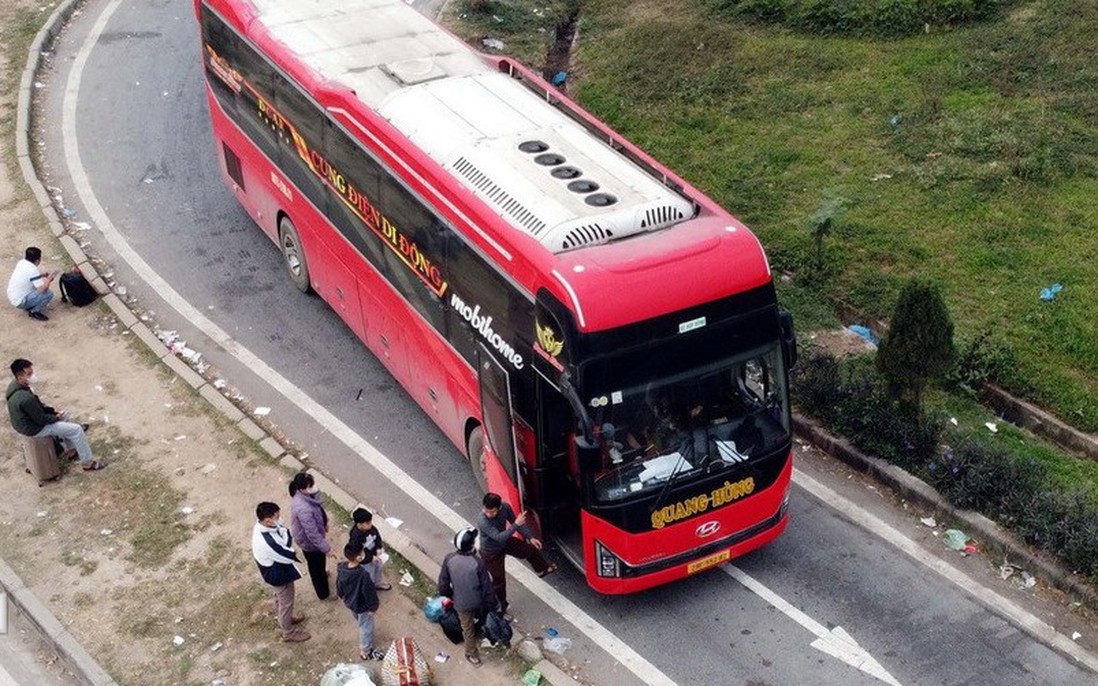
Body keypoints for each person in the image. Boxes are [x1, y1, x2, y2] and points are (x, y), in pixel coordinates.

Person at [6, 358, 104, 471]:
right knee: (77, 430)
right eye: (29, 374)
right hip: (34, 429)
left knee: (65, 416)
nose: (33, 375)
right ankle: (88, 463)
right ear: (20, 377)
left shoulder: (15, 386)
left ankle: (72, 450)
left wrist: (52, 411)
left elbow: (37, 407)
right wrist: (55, 417)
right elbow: (41, 419)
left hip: (26, 423)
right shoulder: (25, 398)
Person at [477, 492, 556, 618]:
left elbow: (518, 524)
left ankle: (542, 569)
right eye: (486, 511)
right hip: (491, 551)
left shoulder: (506, 508)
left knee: (529, 550)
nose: (488, 514)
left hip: (505, 541)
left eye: (492, 512)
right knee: (499, 581)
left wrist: (530, 537)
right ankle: (500, 607)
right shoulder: (483, 520)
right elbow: (499, 537)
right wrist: (516, 525)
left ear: (499, 508)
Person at [252, 501, 310, 642]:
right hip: (276, 572)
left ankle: (287, 618)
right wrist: (287, 535)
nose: (280, 519)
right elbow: (287, 551)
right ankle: (288, 632)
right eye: (277, 517)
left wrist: (285, 533)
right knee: (286, 601)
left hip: (272, 567)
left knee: (281, 597)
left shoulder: (262, 527)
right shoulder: (268, 542)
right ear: (267, 520)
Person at [438, 527, 496, 667]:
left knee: (467, 629)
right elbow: (487, 587)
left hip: (461, 603)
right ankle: (481, 631)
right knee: (478, 620)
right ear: (471, 545)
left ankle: (472, 655)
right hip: (479, 601)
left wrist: (448, 595)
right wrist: (491, 604)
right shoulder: (477, 562)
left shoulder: (449, 559)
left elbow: (443, 583)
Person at [336, 543, 385, 661]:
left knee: (360, 620)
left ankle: (366, 644)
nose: (364, 554)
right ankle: (366, 651)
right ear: (358, 557)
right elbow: (369, 593)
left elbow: (339, 585)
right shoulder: (363, 575)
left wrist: (341, 595)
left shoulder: (342, 568)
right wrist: (373, 607)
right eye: (362, 552)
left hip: (350, 603)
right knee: (365, 627)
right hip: (363, 606)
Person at [288, 472, 332, 600]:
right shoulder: (303, 509)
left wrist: (325, 522)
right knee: (316, 568)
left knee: (319, 563)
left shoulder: (308, 496)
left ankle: (323, 575)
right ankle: (323, 593)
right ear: (302, 488)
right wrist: (327, 548)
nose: (313, 487)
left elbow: (319, 509)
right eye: (310, 485)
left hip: (313, 537)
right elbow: (312, 534)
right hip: (309, 543)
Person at [7, 247, 57, 321]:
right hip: (20, 301)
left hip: (13, 295)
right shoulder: (33, 270)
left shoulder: (22, 262)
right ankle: (34, 311)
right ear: (37, 260)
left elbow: (29, 276)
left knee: (36, 286)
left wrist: (42, 275)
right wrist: (49, 279)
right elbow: (42, 290)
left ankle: (30, 304)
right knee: (48, 294)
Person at [348, 507, 391, 590]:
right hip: (366, 562)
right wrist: (370, 558)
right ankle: (369, 589)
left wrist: (378, 548)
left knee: (378, 568)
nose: (370, 524)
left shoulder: (371, 528)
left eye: (370, 522)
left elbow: (377, 537)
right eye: (367, 523)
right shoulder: (356, 538)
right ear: (359, 524)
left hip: (375, 554)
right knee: (369, 575)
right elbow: (358, 555)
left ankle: (378, 583)